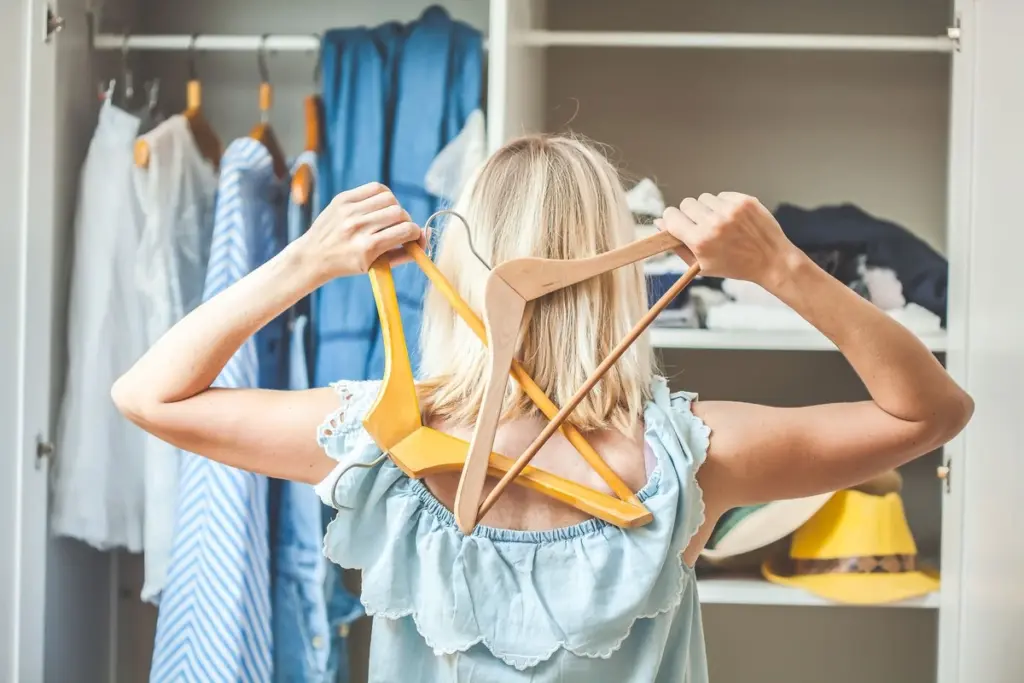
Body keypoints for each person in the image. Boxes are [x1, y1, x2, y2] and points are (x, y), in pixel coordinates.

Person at [113, 135, 973, 682]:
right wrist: (782, 268)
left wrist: (303, 263)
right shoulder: (688, 455)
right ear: (617, 271)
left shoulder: (377, 436)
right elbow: (927, 414)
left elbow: (147, 394)